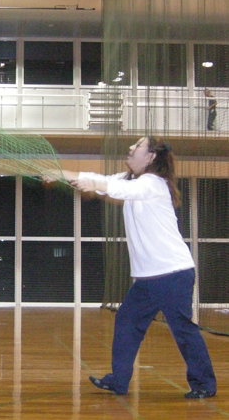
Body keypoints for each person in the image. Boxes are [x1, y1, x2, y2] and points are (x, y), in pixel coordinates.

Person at [44, 136, 216, 399]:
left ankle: (204, 384)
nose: (130, 149)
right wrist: (59, 172)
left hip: (173, 273)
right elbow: (103, 180)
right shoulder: (132, 180)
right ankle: (119, 381)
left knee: (182, 329)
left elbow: (119, 189)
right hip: (147, 278)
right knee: (127, 322)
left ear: (150, 157)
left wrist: (95, 185)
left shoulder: (153, 183)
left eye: (137, 146)